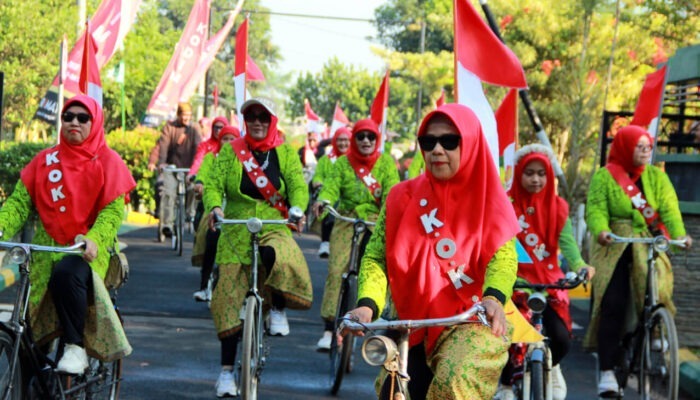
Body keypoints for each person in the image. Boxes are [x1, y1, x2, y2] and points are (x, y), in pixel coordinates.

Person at [343, 104, 520, 399]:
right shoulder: (400, 196)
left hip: (471, 318)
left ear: (471, 144)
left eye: (449, 141)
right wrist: (367, 304)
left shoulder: (491, 199)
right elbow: (376, 256)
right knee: (393, 391)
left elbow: (502, 257)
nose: (437, 149)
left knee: (454, 381)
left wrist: (493, 297)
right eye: (429, 142)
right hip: (411, 323)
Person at [0, 95, 135, 374]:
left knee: (66, 274)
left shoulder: (108, 161)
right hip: (43, 253)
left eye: (82, 117)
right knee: (28, 339)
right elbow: (18, 204)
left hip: (84, 254)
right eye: (68, 116)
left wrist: (94, 238)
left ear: (95, 122)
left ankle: (76, 347)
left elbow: (111, 214)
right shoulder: (44, 161)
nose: (74, 122)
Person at [203, 98, 313, 398]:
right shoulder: (230, 151)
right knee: (226, 298)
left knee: (276, 254)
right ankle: (226, 372)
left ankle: (277, 307)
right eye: (251, 116)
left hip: (273, 225)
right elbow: (213, 183)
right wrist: (215, 206)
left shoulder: (286, 153)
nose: (257, 122)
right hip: (236, 227)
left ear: (272, 120)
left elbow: (297, 186)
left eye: (263, 117)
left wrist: (298, 208)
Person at [584, 125, 693, 396]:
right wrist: (602, 231)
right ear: (624, 147)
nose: (646, 151)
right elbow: (596, 209)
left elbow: (669, 209)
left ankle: (657, 329)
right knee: (613, 302)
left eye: (648, 146)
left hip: (647, 241)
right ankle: (608, 371)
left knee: (660, 281)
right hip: (616, 244)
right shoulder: (605, 177)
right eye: (639, 146)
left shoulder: (657, 177)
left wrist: (680, 236)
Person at [494, 144, 596, 400]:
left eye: (541, 173)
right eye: (529, 173)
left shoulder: (559, 207)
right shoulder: (504, 204)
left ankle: (551, 366)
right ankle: (505, 385)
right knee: (505, 338)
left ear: (549, 175)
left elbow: (568, 245)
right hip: (512, 282)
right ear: (518, 173)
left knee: (561, 340)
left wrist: (580, 265)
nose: (536, 179)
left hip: (549, 284)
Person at [312, 120, 400, 350]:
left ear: (376, 139)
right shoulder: (343, 163)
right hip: (346, 220)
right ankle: (329, 330)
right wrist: (324, 200)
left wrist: (391, 212)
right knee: (336, 271)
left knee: (379, 268)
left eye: (371, 136)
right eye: (361, 136)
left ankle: (376, 310)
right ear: (354, 139)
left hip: (376, 222)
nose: (366, 141)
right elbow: (330, 186)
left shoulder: (386, 163)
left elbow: (393, 191)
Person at [151, 102, 201, 238]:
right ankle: (167, 224)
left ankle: (189, 214)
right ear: (178, 115)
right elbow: (163, 146)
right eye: (184, 115)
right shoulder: (169, 128)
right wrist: (161, 163)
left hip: (189, 169)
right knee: (168, 193)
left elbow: (199, 149)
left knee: (192, 189)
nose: (186, 118)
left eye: (189, 115)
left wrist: (196, 168)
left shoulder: (195, 129)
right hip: (172, 169)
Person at [310, 126, 351, 258]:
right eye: (339, 140)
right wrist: (318, 182)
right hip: (330, 194)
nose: (343, 143)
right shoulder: (325, 160)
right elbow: (318, 175)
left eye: (346, 140)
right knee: (328, 207)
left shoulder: (355, 160)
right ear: (334, 141)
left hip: (350, 199)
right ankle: (325, 242)